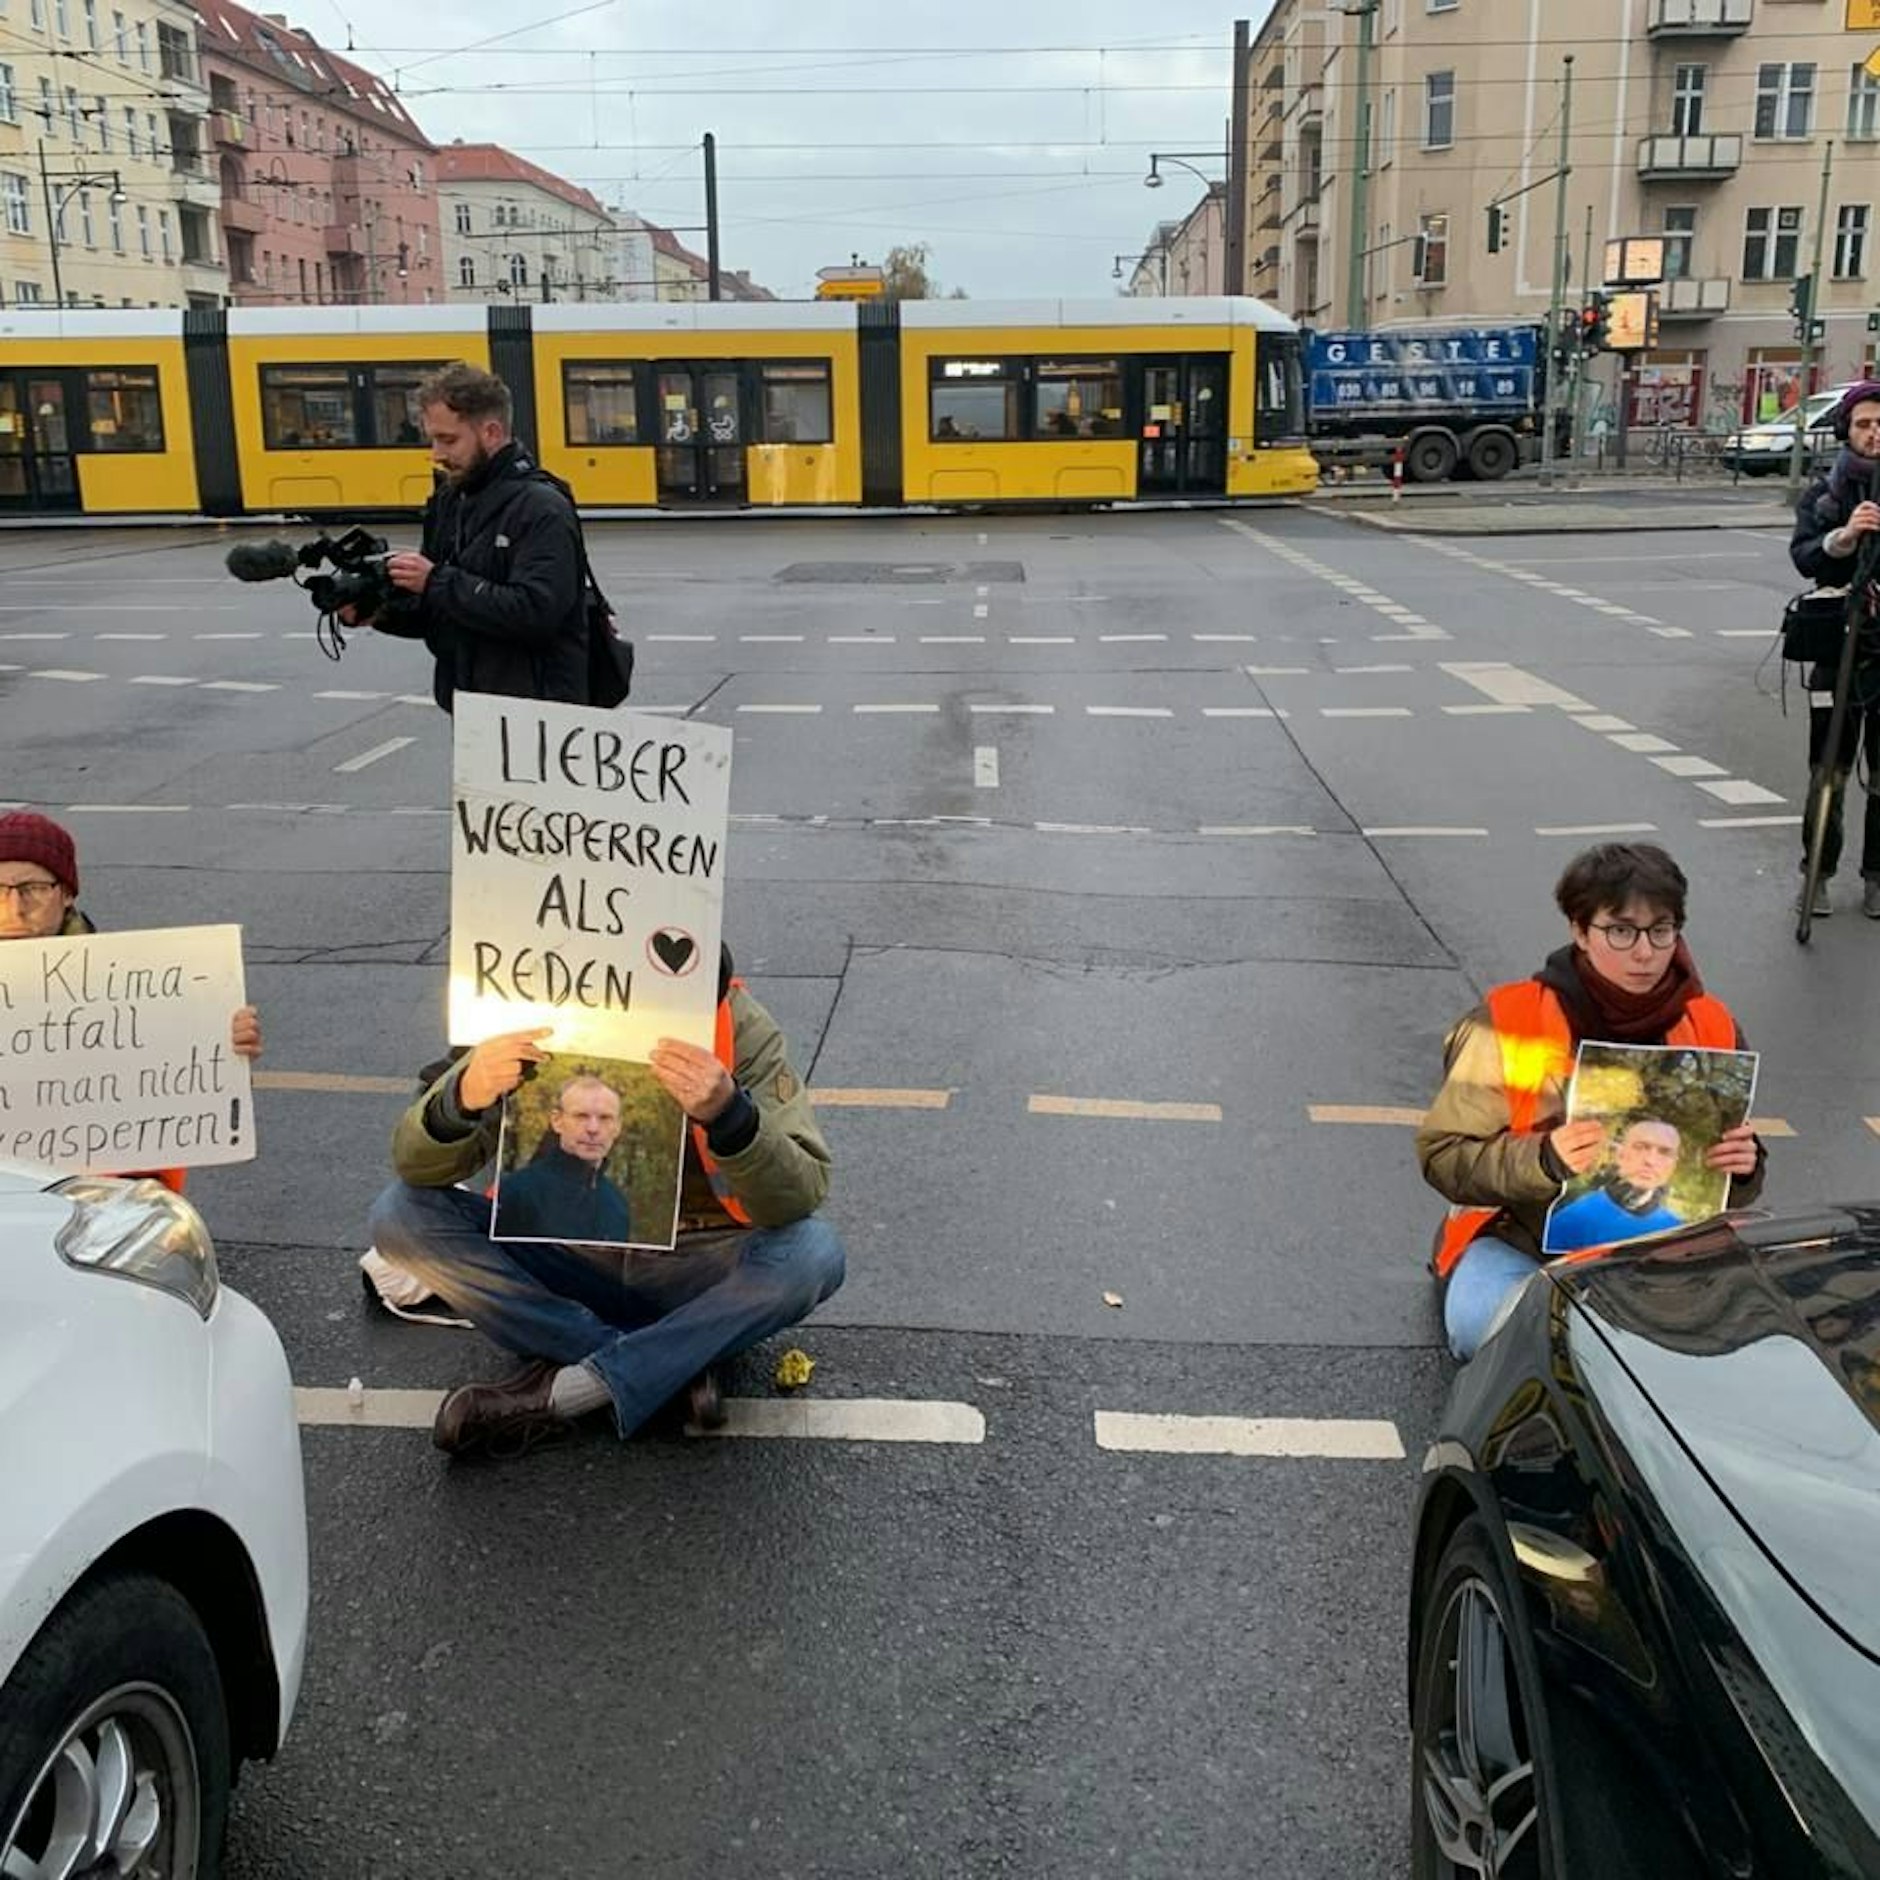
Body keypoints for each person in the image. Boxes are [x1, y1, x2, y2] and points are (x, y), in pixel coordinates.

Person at [365, 947, 845, 1458]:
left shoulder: (738, 1022)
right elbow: (416, 1166)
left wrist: (732, 1115)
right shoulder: (529, 1001)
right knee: (399, 1215)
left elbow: (801, 1192)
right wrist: (462, 1094)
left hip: (693, 1267)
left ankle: (570, 1389)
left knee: (813, 1252)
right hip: (563, 1255)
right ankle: (667, 1366)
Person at [1417, 843, 1764, 1362]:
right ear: (1580, 931)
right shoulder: (1509, 1021)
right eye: (1621, 931)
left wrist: (1743, 1169)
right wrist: (1545, 1159)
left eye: (1661, 930)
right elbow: (1444, 1156)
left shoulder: (1710, 1024)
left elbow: (1722, 1188)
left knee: (1748, 1337)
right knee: (1480, 1329)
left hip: (1660, 1253)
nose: (1644, 952)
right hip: (1522, 1240)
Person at [0, 811, 262, 1186]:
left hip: (107, 1208)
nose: (15, 908)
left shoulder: (130, 993)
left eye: (33, 889)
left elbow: (190, 1097)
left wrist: (227, 1051)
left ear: (67, 893)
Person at [354, 362, 591, 714]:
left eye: (448, 440)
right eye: (433, 439)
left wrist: (435, 579)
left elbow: (538, 612)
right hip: (472, 708)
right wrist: (375, 612)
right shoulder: (451, 500)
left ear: (491, 432)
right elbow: (441, 613)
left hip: (539, 711)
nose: (437, 454)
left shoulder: (541, 507)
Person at [1789, 379, 1880, 918]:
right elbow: (1803, 556)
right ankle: (1817, 873)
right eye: (1865, 423)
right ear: (1848, 430)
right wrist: (1842, 538)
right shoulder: (1828, 491)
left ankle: (1876, 876)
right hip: (1837, 647)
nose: (1875, 433)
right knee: (1829, 771)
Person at [491, 1072, 632, 1244]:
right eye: (581, 1116)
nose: (593, 1128)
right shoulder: (516, 1192)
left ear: (617, 1127)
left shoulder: (616, 1204)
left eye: (605, 1118)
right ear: (557, 1121)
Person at [1543, 1115, 1685, 1254]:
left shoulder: (1677, 1231)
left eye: (1665, 1152)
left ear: (1674, 1165)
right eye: (1641, 1147)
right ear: (1619, 1155)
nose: (1650, 1161)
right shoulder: (1573, 1219)